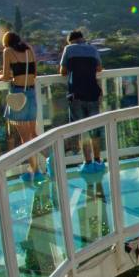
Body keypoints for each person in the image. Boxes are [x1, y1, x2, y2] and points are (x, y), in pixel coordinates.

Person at [0, 31, 42, 179]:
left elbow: (6, 76)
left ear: (6, 43)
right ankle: (51, 158)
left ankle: (35, 171)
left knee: (25, 137)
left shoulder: (8, 51)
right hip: (31, 92)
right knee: (33, 134)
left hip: (18, 94)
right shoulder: (29, 49)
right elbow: (34, 73)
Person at [59, 29, 106, 174]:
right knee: (95, 129)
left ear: (71, 41)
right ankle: (98, 160)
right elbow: (99, 68)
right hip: (92, 93)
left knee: (82, 130)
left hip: (76, 94)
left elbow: (63, 71)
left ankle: (87, 162)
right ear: (82, 38)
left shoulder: (69, 49)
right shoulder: (92, 49)